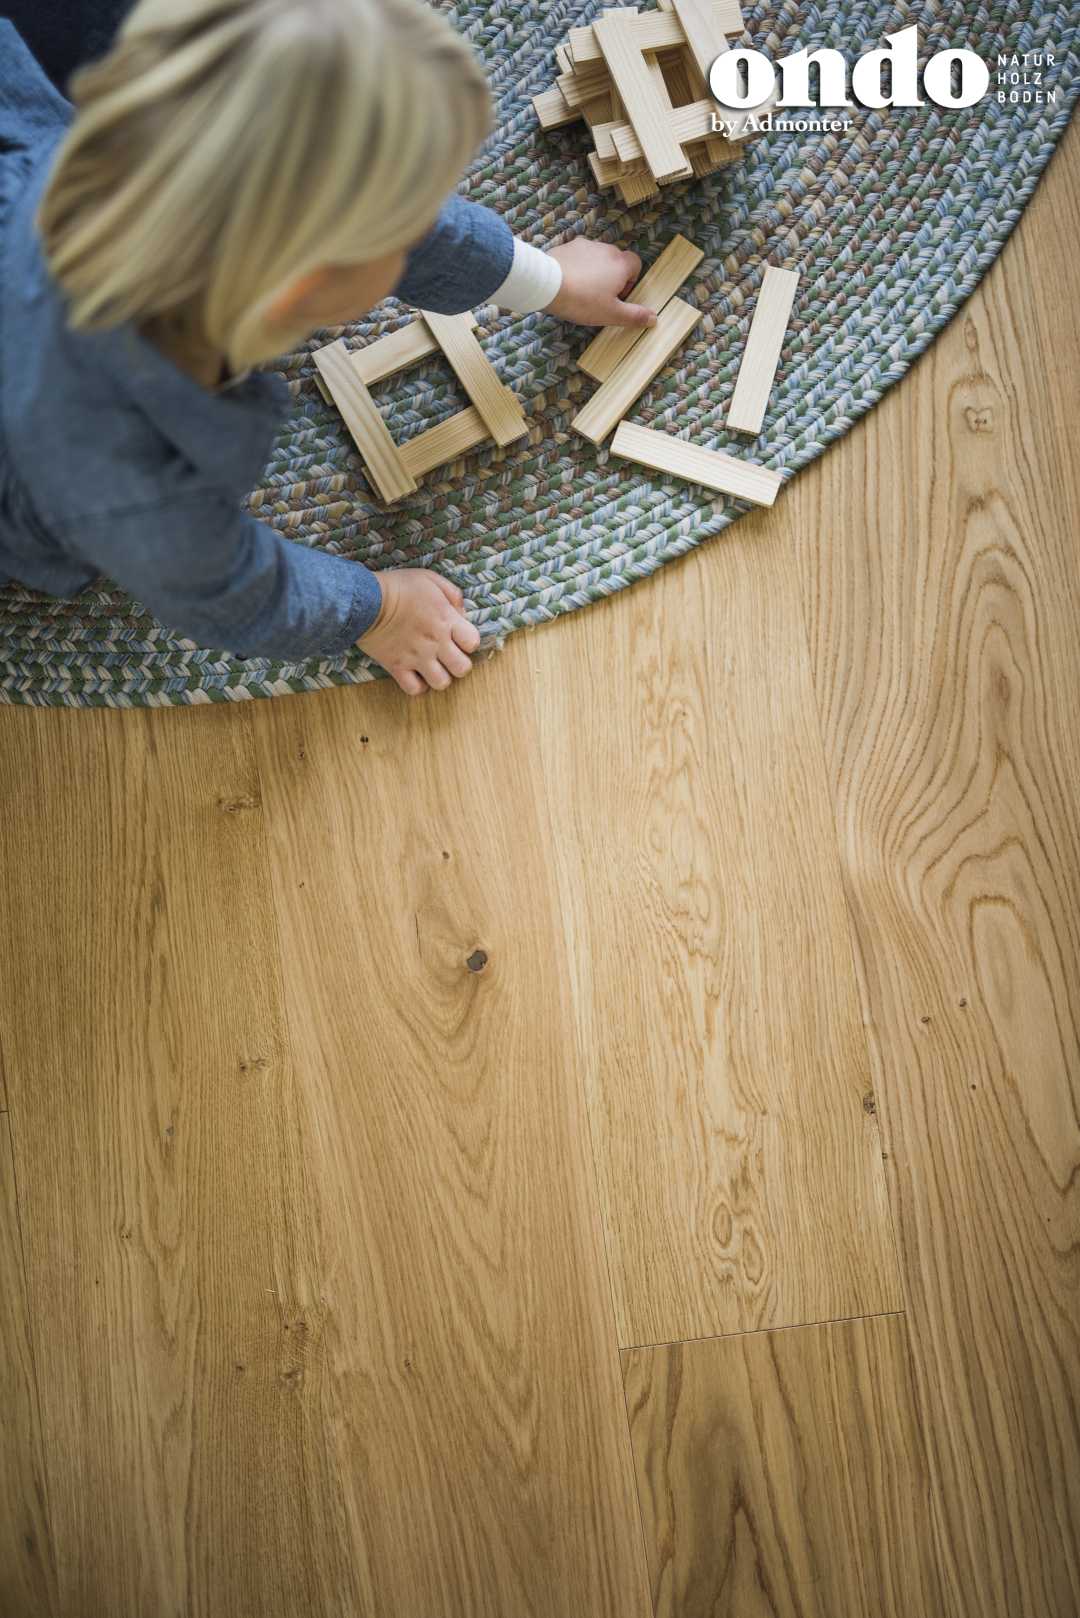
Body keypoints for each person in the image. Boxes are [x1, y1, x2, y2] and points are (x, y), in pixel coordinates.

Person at [0, 0, 656, 694]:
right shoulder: (130, 479)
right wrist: (376, 609)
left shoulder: (150, 127)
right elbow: (232, 592)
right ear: (298, 295)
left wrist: (539, 279)